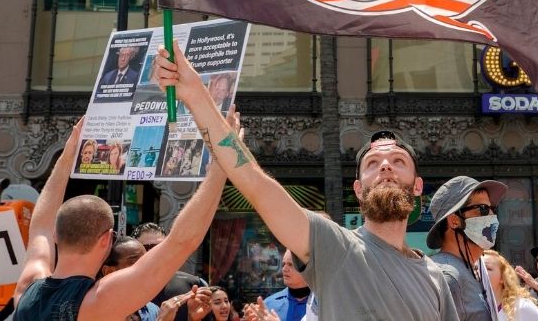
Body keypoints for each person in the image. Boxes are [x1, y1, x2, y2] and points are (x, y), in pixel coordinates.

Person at [155, 46, 460, 320]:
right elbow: (258, 187)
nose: (385, 165)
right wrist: (196, 95)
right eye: (372, 163)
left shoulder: (434, 277)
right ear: (358, 189)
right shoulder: (336, 248)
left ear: (417, 186)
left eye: (398, 161)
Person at [12, 117, 228, 320]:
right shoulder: (100, 299)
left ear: (56, 235)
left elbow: (40, 227)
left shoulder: (29, 287)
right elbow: (181, 241)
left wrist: (67, 158)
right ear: (106, 240)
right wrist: (219, 168)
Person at [427, 175, 508, 320]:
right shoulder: (448, 277)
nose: (492, 215)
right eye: (483, 209)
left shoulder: (473, 270)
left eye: (492, 209)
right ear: (454, 221)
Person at [102, 235, 162, 320]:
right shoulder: (92, 311)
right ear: (109, 272)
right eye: (135, 264)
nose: (145, 270)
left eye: (146, 263)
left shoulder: (153, 310)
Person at [483, 250, 538, 321]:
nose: (479, 271)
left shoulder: (522, 307)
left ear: (503, 277)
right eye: (475, 268)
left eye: (487, 268)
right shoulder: (474, 310)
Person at [263, 249, 312, 321]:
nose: (284, 269)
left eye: (290, 264)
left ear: (306, 268)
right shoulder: (268, 305)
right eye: (283, 264)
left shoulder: (323, 306)